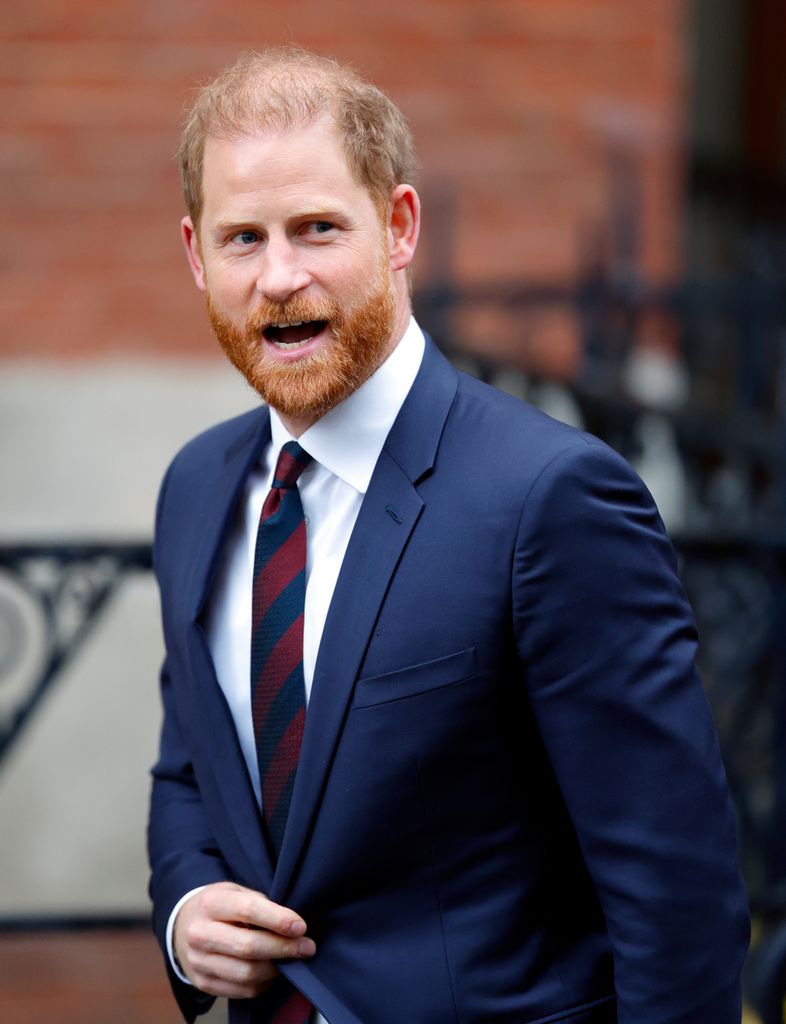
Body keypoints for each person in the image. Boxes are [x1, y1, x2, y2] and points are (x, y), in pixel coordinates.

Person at [148, 47, 750, 1024]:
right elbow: (188, 765)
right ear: (194, 254)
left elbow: (677, 901)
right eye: (243, 238)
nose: (280, 276)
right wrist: (185, 908)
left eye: (317, 228)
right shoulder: (195, 488)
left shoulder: (550, 497)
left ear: (398, 226)